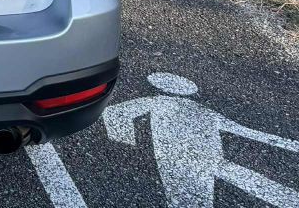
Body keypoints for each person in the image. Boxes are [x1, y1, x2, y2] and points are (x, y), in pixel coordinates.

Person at [103, 72, 299, 207]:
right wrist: (276, 141)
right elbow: (241, 130)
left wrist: (124, 139)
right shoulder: (176, 106)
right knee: (193, 191)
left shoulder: (161, 103)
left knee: (200, 188)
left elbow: (117, 114)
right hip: (184, 157)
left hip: (196, 157)